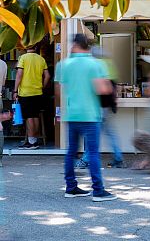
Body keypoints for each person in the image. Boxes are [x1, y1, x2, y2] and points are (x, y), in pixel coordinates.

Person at [54, 34, 117, 201]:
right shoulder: (95, 64)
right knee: (93, 153)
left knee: (71, 152)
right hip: (90, 115)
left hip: (72, 114)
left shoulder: (63, 65)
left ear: (75, 45)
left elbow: (59, 90)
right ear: (87, 46)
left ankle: (71, 187)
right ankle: (98, 191)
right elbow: (102, 90)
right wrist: (108, 84)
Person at [75, 46, 125, 169]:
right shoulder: (109, 63)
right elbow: (115, 86)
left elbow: (95, 87)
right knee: (109, 132)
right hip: (107, 105)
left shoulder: (95, 64)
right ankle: (118, 158)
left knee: (92, 134)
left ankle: (86, 160)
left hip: (97, 106)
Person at [14, 45, 50, 150]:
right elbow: (47, 75)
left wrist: (15, 90)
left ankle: (31, 142)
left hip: (26, 92)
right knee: (35, 116)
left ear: (26, 47)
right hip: (38, 92)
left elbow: (19, 74)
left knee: (29, 117)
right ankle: (34, 140)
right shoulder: (41, 59)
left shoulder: (23, 58)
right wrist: (42, 86)